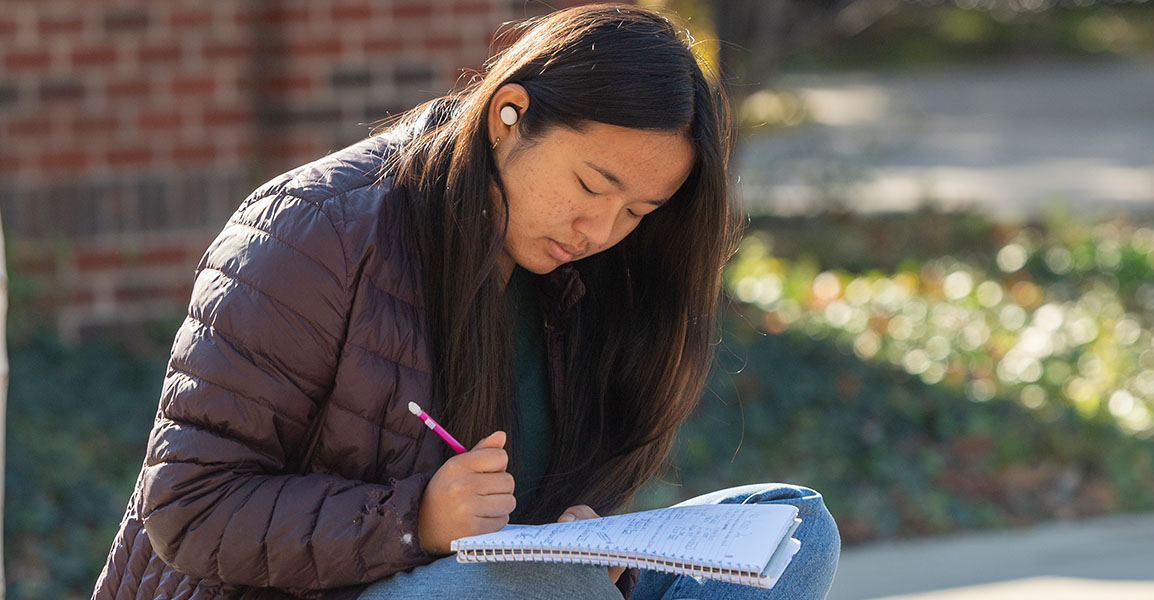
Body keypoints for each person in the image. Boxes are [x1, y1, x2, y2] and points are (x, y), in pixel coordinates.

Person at [92, 4, 840, 599]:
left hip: (496, 586)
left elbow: (527, 538)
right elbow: (188, 509)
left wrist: (590, 540)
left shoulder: (592, 276)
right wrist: (416, 520)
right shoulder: (317, 230)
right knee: (547, 588)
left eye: (637, 212)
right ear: (506, 115)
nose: (601, 230)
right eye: (591, 186)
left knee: (794, 527)